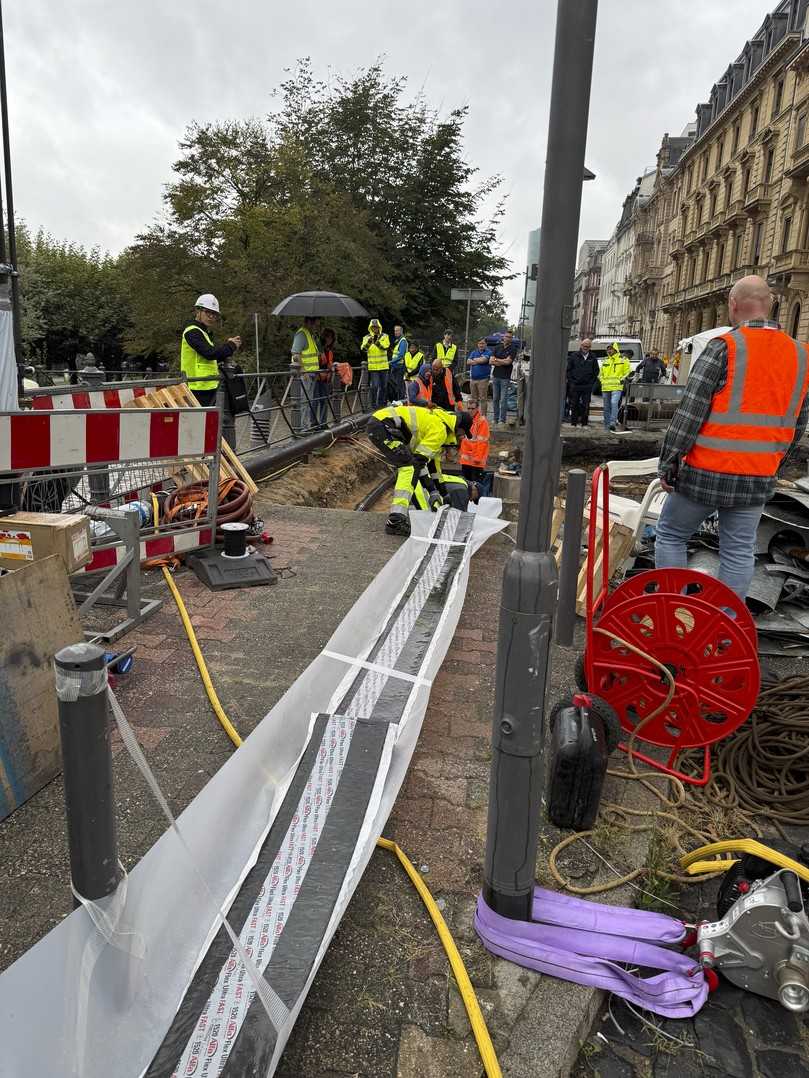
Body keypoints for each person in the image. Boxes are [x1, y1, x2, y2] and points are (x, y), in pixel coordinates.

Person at [655, 274, 809, 600]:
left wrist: (669, 462)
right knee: (738, 551)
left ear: (733, 305)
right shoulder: (801, 356)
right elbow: (798, 425)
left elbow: (689, 414)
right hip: (756, 476)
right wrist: (771, 465)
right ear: (771, 305)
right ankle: (722, 629)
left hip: (705, 473)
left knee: (671, 534)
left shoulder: (724, 347)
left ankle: (677, 614)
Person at [366, 403, 473, 534]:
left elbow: (433, 468)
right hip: (384, 426)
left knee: (410, 466)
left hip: (381, 424)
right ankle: (396, 520)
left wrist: (442, 492)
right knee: (409, 468)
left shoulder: (438, 422)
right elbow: (419, 462)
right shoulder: (440, 430)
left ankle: (397, 518)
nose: (461, 437)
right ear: (458, 427)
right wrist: (433, 491)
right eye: (463, 433)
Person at [180, 293, 241, 407]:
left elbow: (212, 358)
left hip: (206, 385)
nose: (211, 317)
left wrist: (230, 347)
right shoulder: (192, 331)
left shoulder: (203, 332)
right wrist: (230, 346)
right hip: (195, 387)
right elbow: (210, 354)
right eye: (208, 312)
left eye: (214, 314)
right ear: (198, 311)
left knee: (208, 422)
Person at [291, 315, 322, 431]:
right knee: (304, 402)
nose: (316, 327)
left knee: (308, 402)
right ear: (309, 322)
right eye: (315, 324)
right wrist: (303, 371)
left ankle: (305, 428)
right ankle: (302, 429)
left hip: (311, 374)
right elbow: (296, 354)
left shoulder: (309, 334)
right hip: (305, 375)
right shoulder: (302, 334)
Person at [565, 338, 599, 427]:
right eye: (584, 346)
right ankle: (573, 423)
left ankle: (584, 424)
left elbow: (596, 371)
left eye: (587, 347)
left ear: (590, 347)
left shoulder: (593, 357)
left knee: (586, 405)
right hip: (575, 385)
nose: (585, 348)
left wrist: (591, 383)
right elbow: (568, 370)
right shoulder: (574, 356)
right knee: (574, 404)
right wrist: (572, 381)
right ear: (581, 346)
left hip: (587, 386)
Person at [598, 342, 631, 431]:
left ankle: (612, 423)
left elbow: (627, 371)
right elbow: (600, 374)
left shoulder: (623, 360)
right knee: (606, 406)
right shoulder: (605, 360)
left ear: (615, 349)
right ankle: (607, 425)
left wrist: (622, 379)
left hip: (616, 386)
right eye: (608, 349)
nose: (609, 351)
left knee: (614, 403)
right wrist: (602, 380)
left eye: (611, 349)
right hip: (605, 387)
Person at [458, 398, 490, 486]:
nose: (470, 411)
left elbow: (482, 442)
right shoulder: (466, 420)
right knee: (466, 485)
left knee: (476, 487)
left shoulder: (482, 421)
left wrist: (477, 459)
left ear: (477, 409)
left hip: (476, 462)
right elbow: (463, 439)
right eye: (468, 408)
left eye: (472, 409)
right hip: (466, 460)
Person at [490, 331, 519, 428]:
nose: (508, 338)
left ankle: (502, 420)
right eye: (507, 336)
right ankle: (495, 418)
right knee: (495, 399)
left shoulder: (513, 349)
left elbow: (508, 362)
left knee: (503, 400)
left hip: (505, 378)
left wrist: (497, 360)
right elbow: (491, 361)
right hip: (496, 376)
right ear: (504, 337)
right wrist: (501, 361)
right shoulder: (497, 347)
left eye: (510, 337)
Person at [361, 318, 391, 410]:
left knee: (384, 386)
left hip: (384, 366)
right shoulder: (366, 337)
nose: (375, 329)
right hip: (373, 367)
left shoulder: (385, 336)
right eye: (373, 327)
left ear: (379, 327)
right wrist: (369, 343)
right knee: (374, 386)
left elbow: (386, 347)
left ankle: (382, 403)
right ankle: (373, 404)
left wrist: (377, 342)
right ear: (371, 328)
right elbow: (363, 349)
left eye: (376, 327)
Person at [315, 327, 337, 428]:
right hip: (317, 377)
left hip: (325, 379)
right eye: (328, 337)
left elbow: (329, 364)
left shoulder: (329, 351)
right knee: (314, 401)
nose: (329, 340)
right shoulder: (318, 349)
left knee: (324, 401)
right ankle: (314, 424)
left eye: (331, 338)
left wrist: (330, 371)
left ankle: (323, 423)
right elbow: (315, 364)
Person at [466, 338, 492, 417]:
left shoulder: (489, 352)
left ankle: (483, 417)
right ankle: (474, 416)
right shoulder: (474, 352)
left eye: (483, 343)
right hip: (473, 379)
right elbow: (468, 361)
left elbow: (484, 360)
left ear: (486, 344)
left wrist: (474, 360)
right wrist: (478, 360)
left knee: (483, 399)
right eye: (480, 343)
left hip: (483, 379)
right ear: (477, 344)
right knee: (473, 399)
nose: (481, 345)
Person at [389, 324, 408, 402]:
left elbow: (401, 355)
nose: (395, 332)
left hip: (399, 366)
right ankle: (398, 399)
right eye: (395, 331)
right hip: (396, 366)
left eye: (397, 330)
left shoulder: (403, 341)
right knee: (397, 384)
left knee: (399, 384)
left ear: (401, 331)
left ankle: (400, 400)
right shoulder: (399, 341)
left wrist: (391, 362)